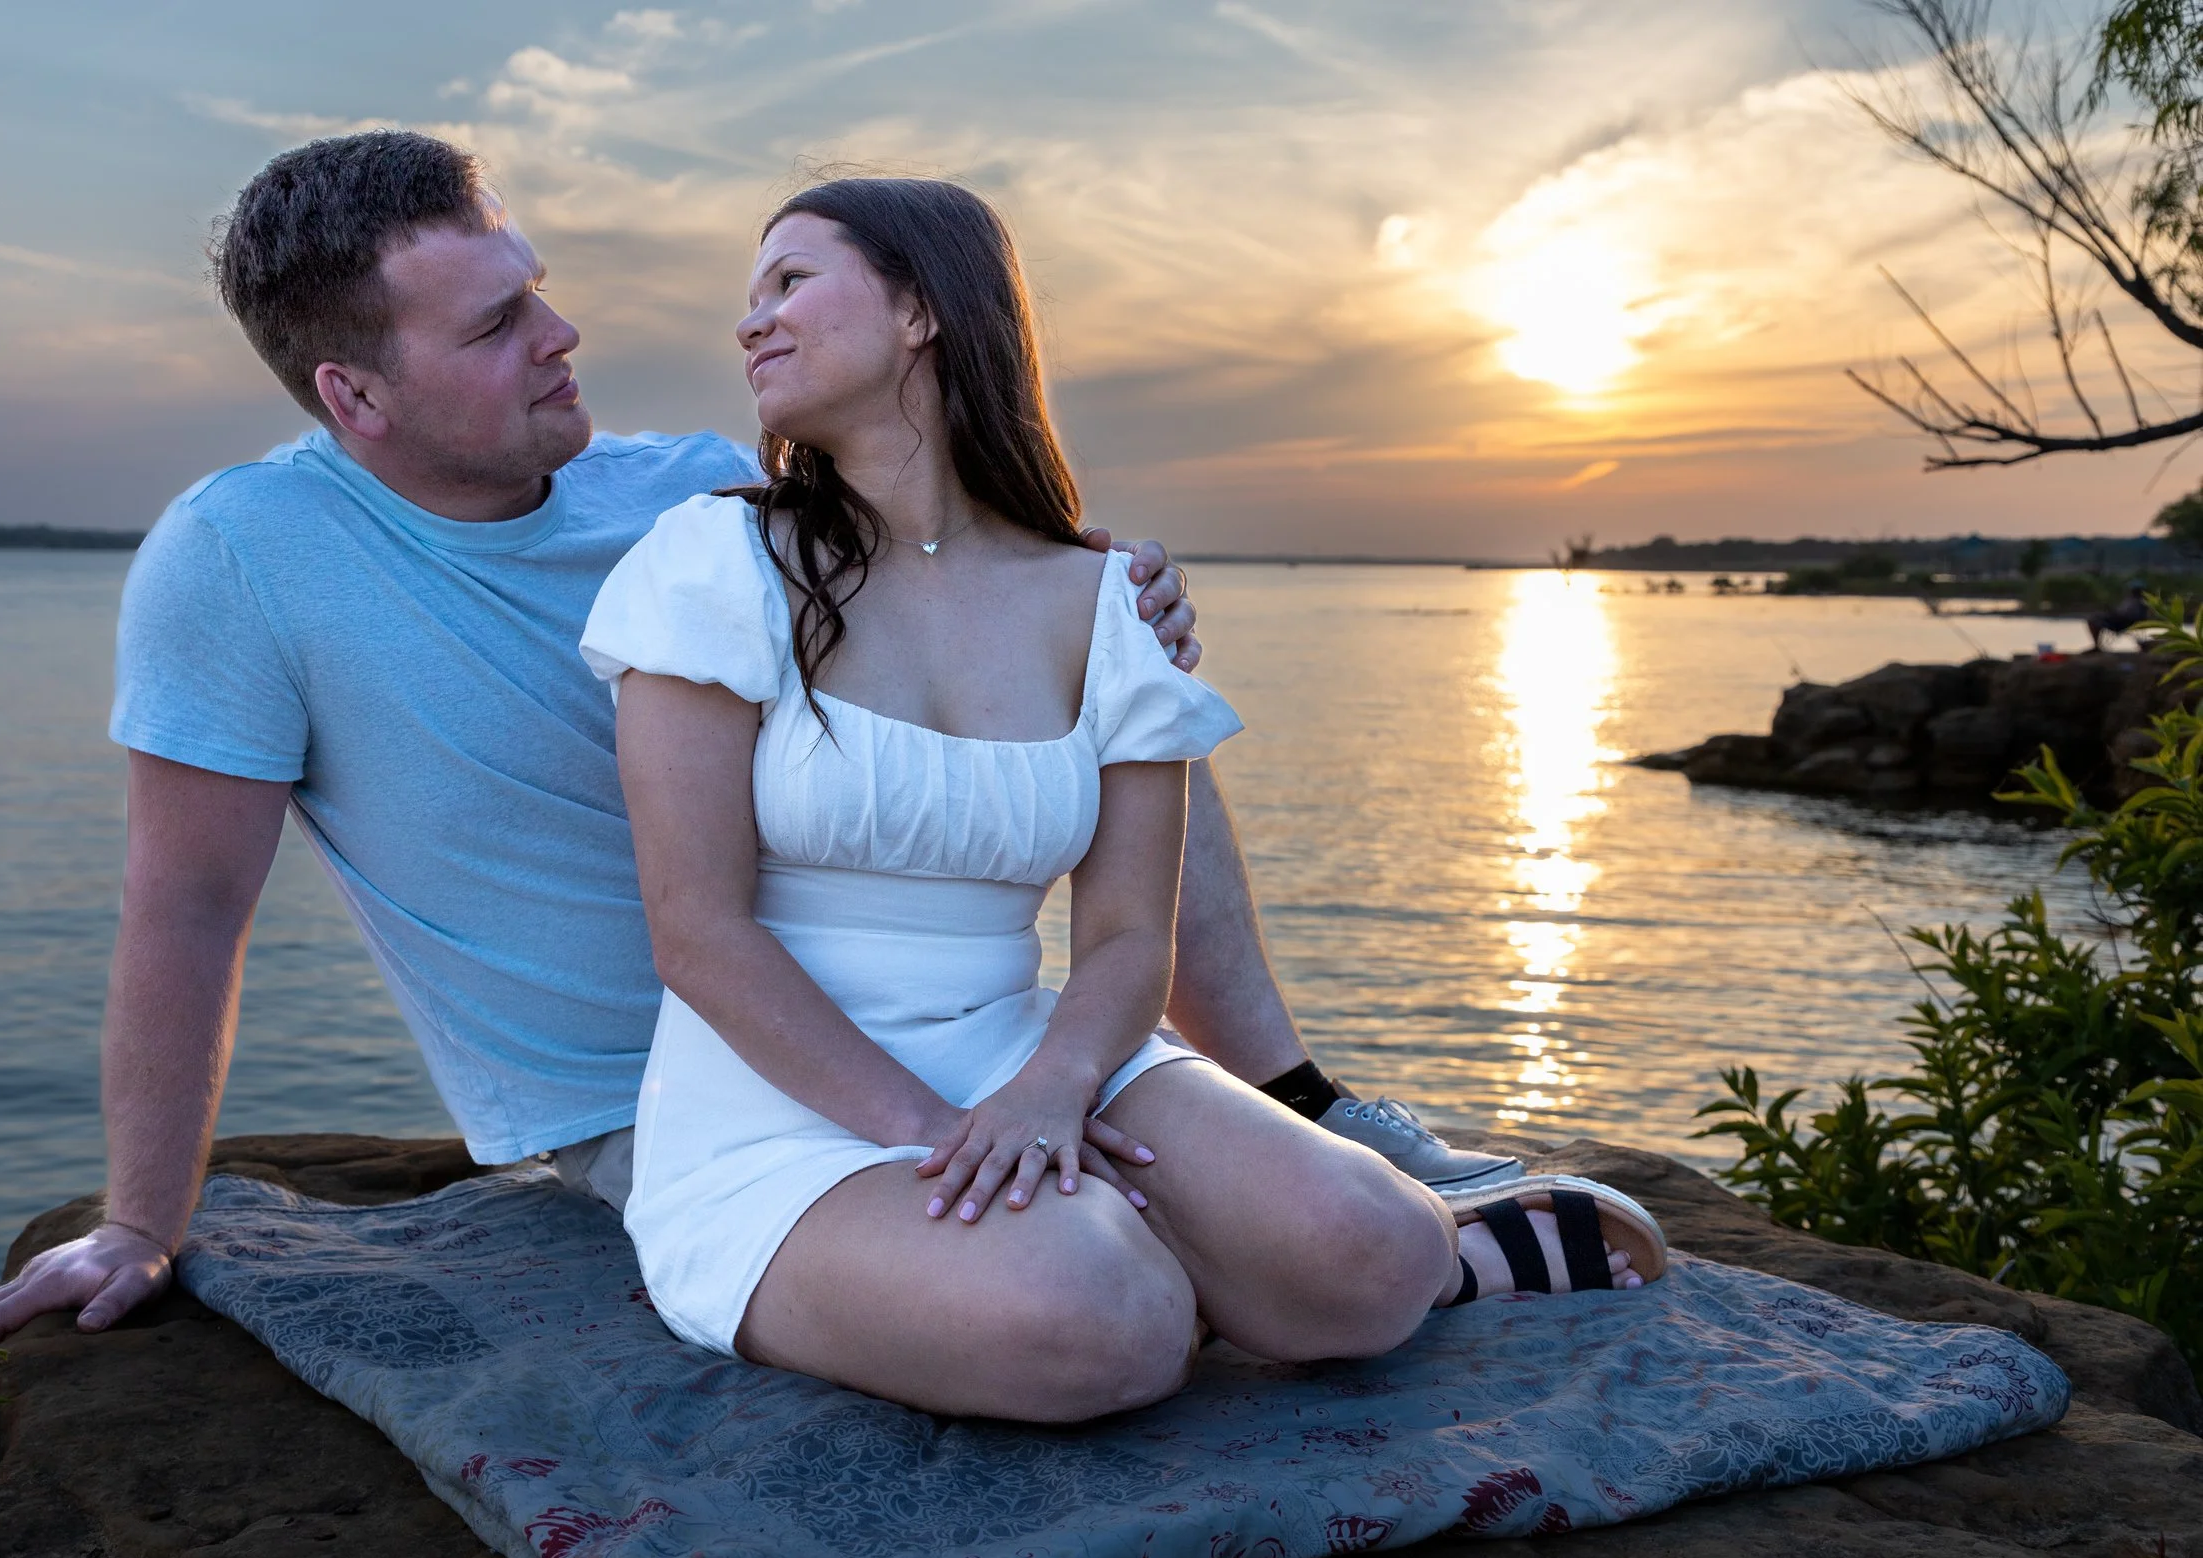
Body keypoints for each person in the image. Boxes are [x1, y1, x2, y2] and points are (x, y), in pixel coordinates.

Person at [0, 131, 1518, 1360]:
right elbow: (186, 910)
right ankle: (1172, 1233)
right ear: (355, 392)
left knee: (1128, 694)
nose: (562, 333)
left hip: (948, 1014)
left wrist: (1096, 589)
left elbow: (968, 627)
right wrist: (143, 1223)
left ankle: (1290, 1098)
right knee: (1087, 1303)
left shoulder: (692, 486)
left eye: (538, 283)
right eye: (499, 325)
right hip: (648, 1090)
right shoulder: (242, 559)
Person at [582, 177, 1665, 1423]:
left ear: (923, 309)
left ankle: (1433, 1258)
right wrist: (946, 1130)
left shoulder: (1107, 603)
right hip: (777, 1103)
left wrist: (1047, 1089)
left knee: (1372, 1249)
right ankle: (1163, 1268)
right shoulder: (712, 562)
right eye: (749, 296)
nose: (750, 323)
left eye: (789, 281)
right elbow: (697, 931)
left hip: (1028, 1052)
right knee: (1103, 1322)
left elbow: (1124, 941)